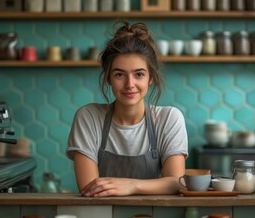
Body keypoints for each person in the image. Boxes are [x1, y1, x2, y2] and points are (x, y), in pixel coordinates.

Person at [66, 21, 188, 197]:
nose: (130, 84)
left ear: (150, 77)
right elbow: (89, 189)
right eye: (119, 74)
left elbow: (177, 182)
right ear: (108, 77)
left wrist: (132, 186)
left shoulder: (169, 118)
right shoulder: (88, 117)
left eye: (139, 74)